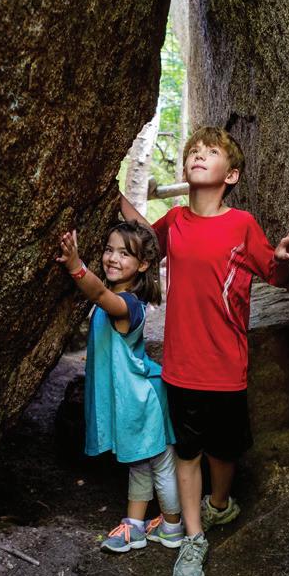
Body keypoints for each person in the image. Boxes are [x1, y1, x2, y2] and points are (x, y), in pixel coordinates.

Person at [120, 126, 289, 576]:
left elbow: (274, 274)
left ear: (232, 174)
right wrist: (111, 191)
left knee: (223, 452)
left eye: (211, 152)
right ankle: (193, 537)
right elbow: (142, 236)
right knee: (187, 453)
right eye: (193, 152)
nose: (198, 156)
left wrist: (282, 256)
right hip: (181, 367)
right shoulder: (175, 221)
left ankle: (219, 504)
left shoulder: (241, 224)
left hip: (226, 368)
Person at [56, 221, 184, 553]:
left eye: (124, 254)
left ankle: (172, 526)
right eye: (109, 249)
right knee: (138, 463)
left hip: (145, 400)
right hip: (130, 400)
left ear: (142, 265)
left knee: (161, 464)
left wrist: (76, 266)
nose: (113, 258)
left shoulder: (127, 305)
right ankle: (135, 525)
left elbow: (99, 294)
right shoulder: (119, 298)